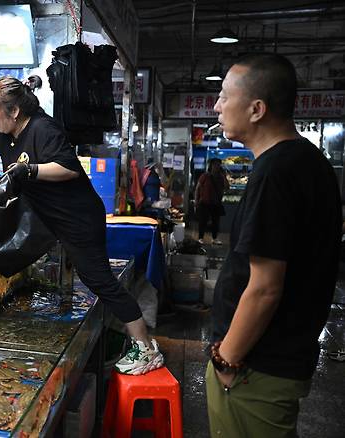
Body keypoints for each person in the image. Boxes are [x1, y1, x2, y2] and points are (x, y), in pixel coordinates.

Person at [0, 75, 163, 375]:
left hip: (78, 217)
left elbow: (68, 168)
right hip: (46, 216)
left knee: (98, 279)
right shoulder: (1, 130)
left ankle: (146, 347)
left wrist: (30, 170)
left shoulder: (43, 129)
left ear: (14, 112)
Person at [207, 53, 341, 437]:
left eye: (223, 96)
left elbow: (265, 287)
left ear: (256, 109)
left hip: (256, 369)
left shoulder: (276, 171)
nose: (217, 106)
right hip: (276, 362)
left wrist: (226, 359)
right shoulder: (307, 161)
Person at [194, 158, 228, 245]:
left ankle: (214, 238)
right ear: (211, 166)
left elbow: (227, 187)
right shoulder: (205, 176)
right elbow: (198, 188)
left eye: (218, 165)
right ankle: (200, 238)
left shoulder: (221, 177)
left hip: (216, 203)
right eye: (215, 165)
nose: (217, 167)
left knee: (215, 222)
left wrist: (224, 176)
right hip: (204, 202)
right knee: (203, 221)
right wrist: (196, 200)